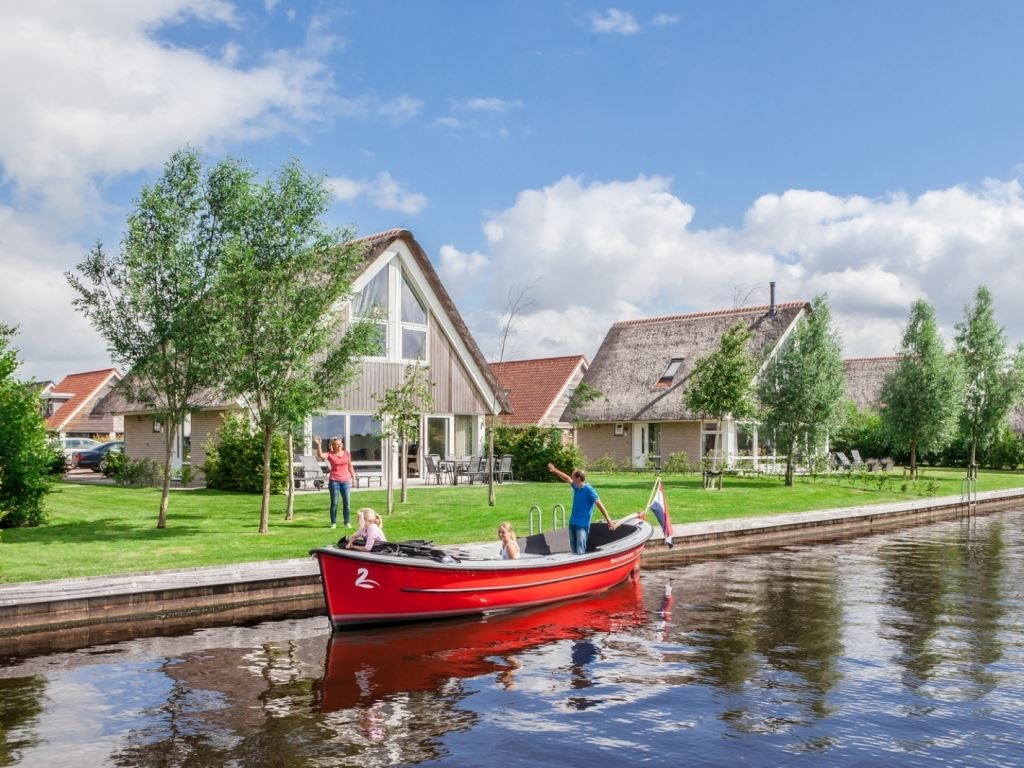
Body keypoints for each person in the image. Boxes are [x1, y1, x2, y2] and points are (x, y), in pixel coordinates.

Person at [547, 463, 615, 555]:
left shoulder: (589, 490)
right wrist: (555, 471)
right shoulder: (576, 487)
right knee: (573, 551)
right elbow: (567, 478)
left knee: (580, 551)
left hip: (582, 525)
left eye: (573, 477)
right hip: (573, 523)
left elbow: (600, 505)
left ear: (578, 479)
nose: (572, 479)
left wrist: (609, 520)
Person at [313, 436, 358, 529]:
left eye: (340, 444)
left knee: (347, 503)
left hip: (345, 481)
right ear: (333, 446)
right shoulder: (330, 454)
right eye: (337, 444)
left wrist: (353, 478)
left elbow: (350, 466)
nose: (339, 446)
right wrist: (319, 445)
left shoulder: (346, 454)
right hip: (334, 482)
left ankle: (347, 522)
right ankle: (333, 523)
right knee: (334, 503)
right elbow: (320, 455)